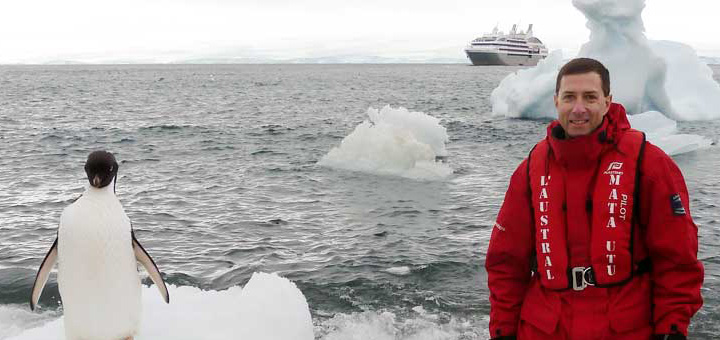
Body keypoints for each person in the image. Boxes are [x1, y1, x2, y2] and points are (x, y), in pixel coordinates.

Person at [485, 58, 703, 340]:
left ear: (607, 101)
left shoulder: (648, 165)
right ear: (556, 101)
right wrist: (503, 331)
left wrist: (671, 329)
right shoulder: (530, 171)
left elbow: (677, 258)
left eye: (590, 97)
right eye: (569, 97)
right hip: (543, 329)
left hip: (626, 329)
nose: (579, 108)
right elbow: (505, 261)